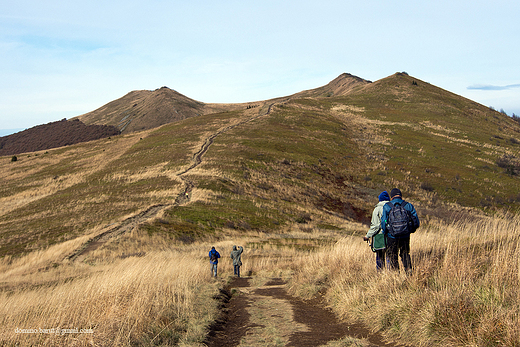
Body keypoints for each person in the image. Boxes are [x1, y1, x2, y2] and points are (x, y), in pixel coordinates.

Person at [381, 188, 420, 275]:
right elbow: (416, 221)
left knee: (392, 255)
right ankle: (408, 270)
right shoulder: (408, 205)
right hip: (405, 235)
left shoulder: (387, 206)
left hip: (392, 236)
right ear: (401, 196)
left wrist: (385, 232)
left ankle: (396, 274)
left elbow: (384, 222)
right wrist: (410, 230)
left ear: (392, 197)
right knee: (405, 253)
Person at [363, 191, 390, 270]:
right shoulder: (392, 207)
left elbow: (375, 226)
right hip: (391, 235)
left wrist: (367, 236)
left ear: (380, 199)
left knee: (379, 256)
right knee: (390, 255)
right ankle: (391, 274)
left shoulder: (377, 209)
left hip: (379, 236)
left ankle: (380, 274)